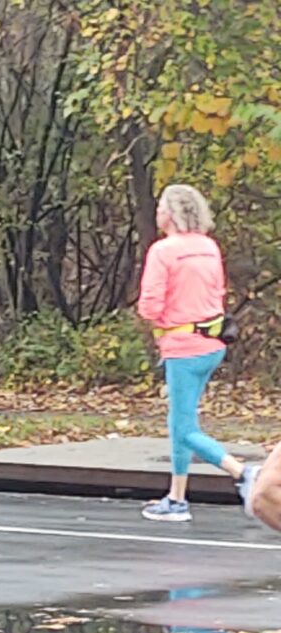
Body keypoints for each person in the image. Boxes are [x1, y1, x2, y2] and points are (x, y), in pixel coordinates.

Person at [137, 184, 254, 521]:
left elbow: (149, 305)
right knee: (181, 420)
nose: (157, 212)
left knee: (184, 429)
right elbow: (217, 291)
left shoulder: (163, 251)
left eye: (161, 207)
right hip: (212, 343)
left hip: (182, 346)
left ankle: (244, 474)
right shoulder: (208, 247)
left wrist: (162, 317)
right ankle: (176, 498)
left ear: (170, 214)